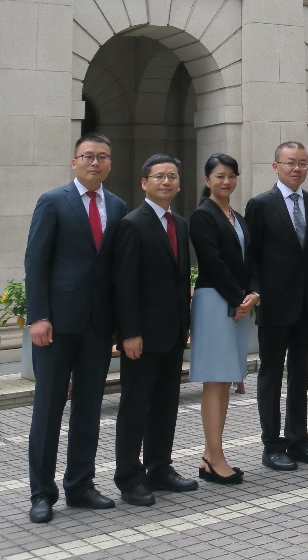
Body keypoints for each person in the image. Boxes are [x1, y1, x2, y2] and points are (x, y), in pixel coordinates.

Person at [24, 133, 126, 524]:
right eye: (88, 156)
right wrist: (39, 316)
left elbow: (115, 268)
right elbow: (36, 261)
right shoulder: (53, 202)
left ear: (110, 163)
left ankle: (80, 485)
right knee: (48, 408)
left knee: (88, 408)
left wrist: (119, 322)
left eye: (102, 157)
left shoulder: (116, 206)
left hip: (99, 325)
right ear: (74, 162)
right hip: (57, 323)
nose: (95, 163)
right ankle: (42, 493)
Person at [113, 154, 197, 505]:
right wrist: (129, 333)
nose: (166, 182)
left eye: (172, 176)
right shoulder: (133, 224)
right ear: (144, 183)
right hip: (142, 337)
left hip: (172, 333)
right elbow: (124, 283)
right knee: (136, 406)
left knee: (166, 404)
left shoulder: (179, 222)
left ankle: (160, 468)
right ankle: (130, 477)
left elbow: (180, 282)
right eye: (159, 176)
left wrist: (186, 325)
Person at [245, 141, 308, 470]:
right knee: (271, 374)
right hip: (275, 305)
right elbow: (251, 258)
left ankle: (298, 440)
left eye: (303, 164)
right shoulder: (260, 205)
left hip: (306, 305)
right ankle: (271, 444)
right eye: (291, 163)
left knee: (300, 373)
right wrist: (256, 293)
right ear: (275, 166)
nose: (297, 169)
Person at [188, 154, 257, 485]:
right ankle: (214, 457)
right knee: (215, 380)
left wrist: (253, 294)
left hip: (237, 302)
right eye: (219, 176)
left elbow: (251, 260)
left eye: (231, 175)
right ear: (207, 180)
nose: (226, 181)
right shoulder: (202, 217)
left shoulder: (238, 217)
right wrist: (238, 298)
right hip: (215, 301)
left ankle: (211, 453)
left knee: (225, 380)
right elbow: (212, 262)